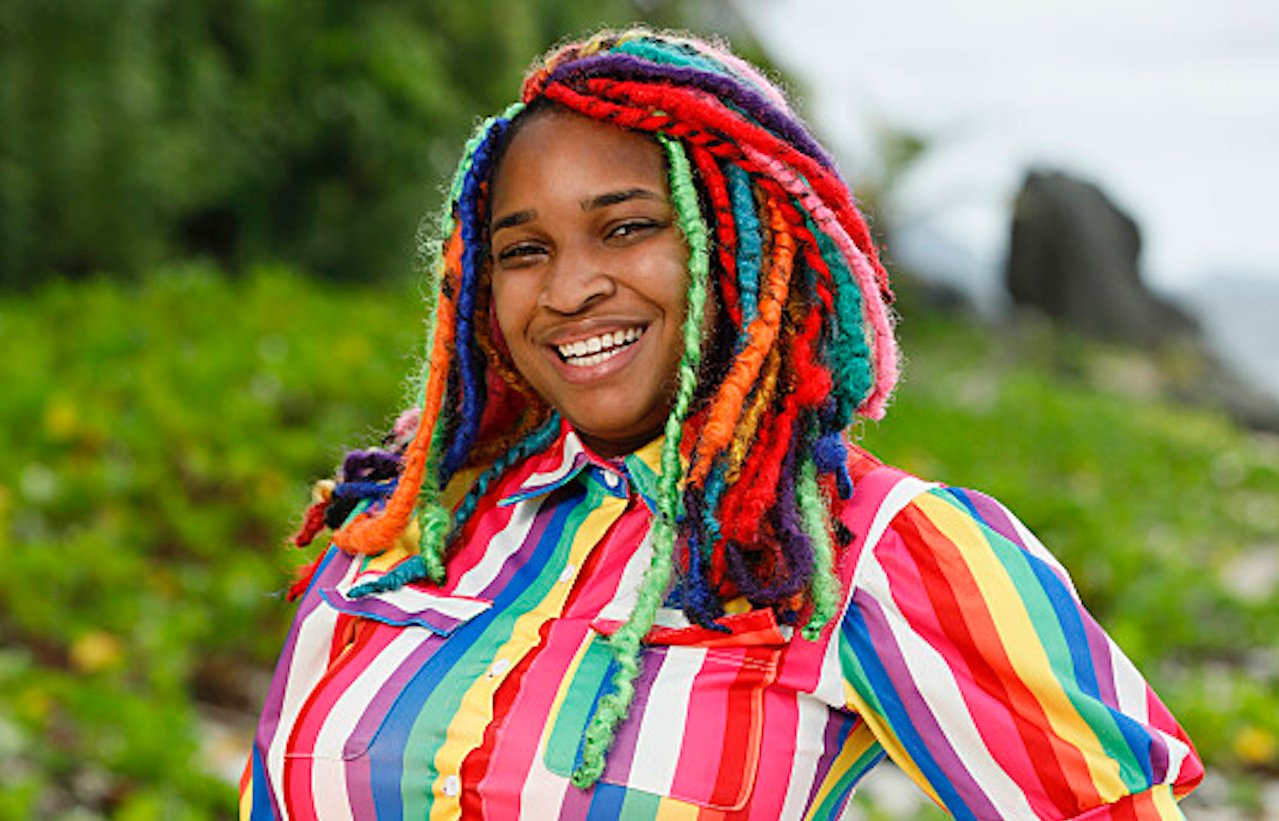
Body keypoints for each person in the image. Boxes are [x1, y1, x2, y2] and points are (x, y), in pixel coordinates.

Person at [240, 28, 1202, 820]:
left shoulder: (874, 549)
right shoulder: (406, 524)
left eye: (627, 227)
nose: (570, 289)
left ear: (749, 241)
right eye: (524, 250)